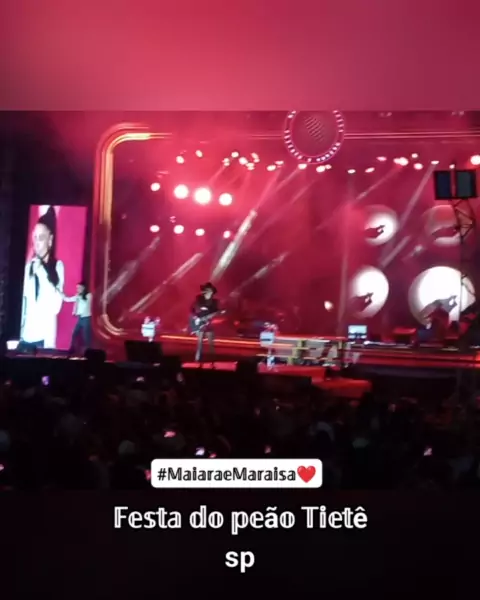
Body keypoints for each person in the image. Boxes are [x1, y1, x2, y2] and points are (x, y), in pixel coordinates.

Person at [19, 207, 64, 350]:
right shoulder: (28, 267)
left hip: (43, 340)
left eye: (41, 237)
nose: (36, 242)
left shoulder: (57, 266)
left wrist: (42, 272)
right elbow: (23, 301)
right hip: (24, 337)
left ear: (50, 240)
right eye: (35, 237)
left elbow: (56, 306)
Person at [191, 282, 219, 363]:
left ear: (212, 292)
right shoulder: (199, 299)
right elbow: (192, 309)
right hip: (199, 323)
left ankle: (213, 361)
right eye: (206, 290)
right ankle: (197, 360)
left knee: (211, 343)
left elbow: (216, 312)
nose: (208, 291)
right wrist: (196, 317)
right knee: (199, 343)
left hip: (209, 324)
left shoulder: (215, 302)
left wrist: (215, 314)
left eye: (209, 290)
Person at [63, 281, 92, 353]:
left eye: (79, 287)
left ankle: (89, 351)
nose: (77, 289)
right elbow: (67, 299)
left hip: (86, 318)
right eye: (77, 288)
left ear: (83, 288)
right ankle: (72, 348)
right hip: (80, 318)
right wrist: (60, 293)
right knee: (74, 333)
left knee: (86, 335)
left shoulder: (89, 295)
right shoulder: (78, 296)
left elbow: (86, 305)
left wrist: (79, 297)